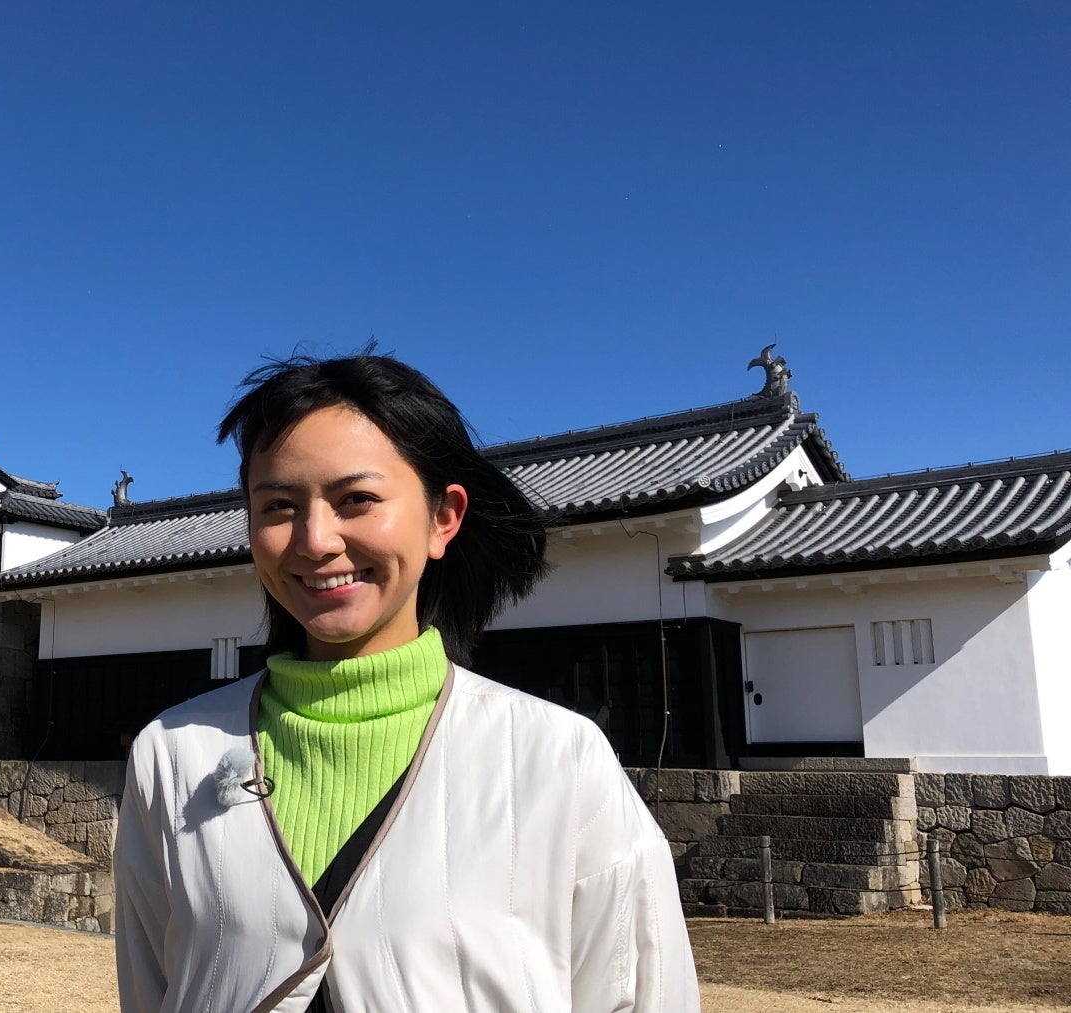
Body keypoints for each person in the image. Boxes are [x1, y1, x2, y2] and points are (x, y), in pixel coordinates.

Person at [112, 353, 699, 1012]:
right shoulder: (172, 754)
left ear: (443, 517)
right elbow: (149, 986)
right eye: (278, 505)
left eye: (356, 499)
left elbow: (640, 993)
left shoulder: (558, 760)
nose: (314, 539)